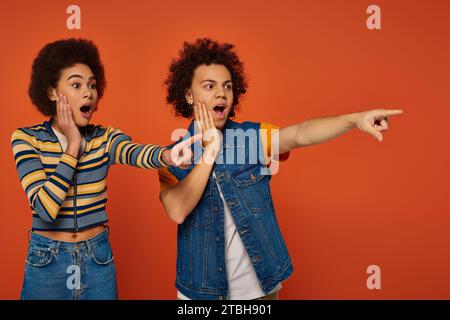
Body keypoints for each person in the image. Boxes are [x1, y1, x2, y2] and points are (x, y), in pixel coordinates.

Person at [158, 38, 403, 300]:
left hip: (259, 288)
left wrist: (353, 120)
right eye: (209, 86)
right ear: (188, 95)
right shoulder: (174, 155)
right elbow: (177, 210)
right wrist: (209, 152)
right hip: (200, 293)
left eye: (227, 87)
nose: (221, 93)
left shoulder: (253, 137)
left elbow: (300, 134)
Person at [11, 38, 198, 300]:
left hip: (97, 258)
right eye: (76, 85)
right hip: (47, 261)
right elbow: (45, 209)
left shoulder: (105, 138)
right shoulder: (26, 139)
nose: (88, 92)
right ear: (52, 92)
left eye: (92, 85)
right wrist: (73, 144)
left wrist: (167, 155)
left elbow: (134, 152)